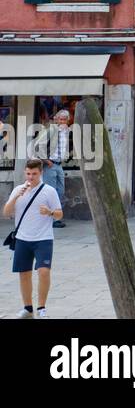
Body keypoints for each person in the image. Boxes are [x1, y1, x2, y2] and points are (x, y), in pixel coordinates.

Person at [4, 159, 62, 318]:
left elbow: (59, 214)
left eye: (34, 174)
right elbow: (6, 212)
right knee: (24, 273)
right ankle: (28, 308)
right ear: (25, 172)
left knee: (43, 272)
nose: (30, 177)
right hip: (22, 238)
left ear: (41, 173)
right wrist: (16, 197)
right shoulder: (18, 189)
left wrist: (49, 212)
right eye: (28, 174)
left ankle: (41, 308)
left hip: (43, 238)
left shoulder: (49, 191)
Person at [39, 110, 72, 228]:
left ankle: (56, 217)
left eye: (65, 119)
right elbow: (39, 145)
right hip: (50, 164)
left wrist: (66, 157)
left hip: (58, 165)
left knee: (60, 192)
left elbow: (64, 147)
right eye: (60, 119)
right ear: (56, 120)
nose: (62, 121)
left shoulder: (66, 132)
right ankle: (51, 220)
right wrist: (46, 160)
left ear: (68, 120)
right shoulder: (51, 130)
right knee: (50, 192)